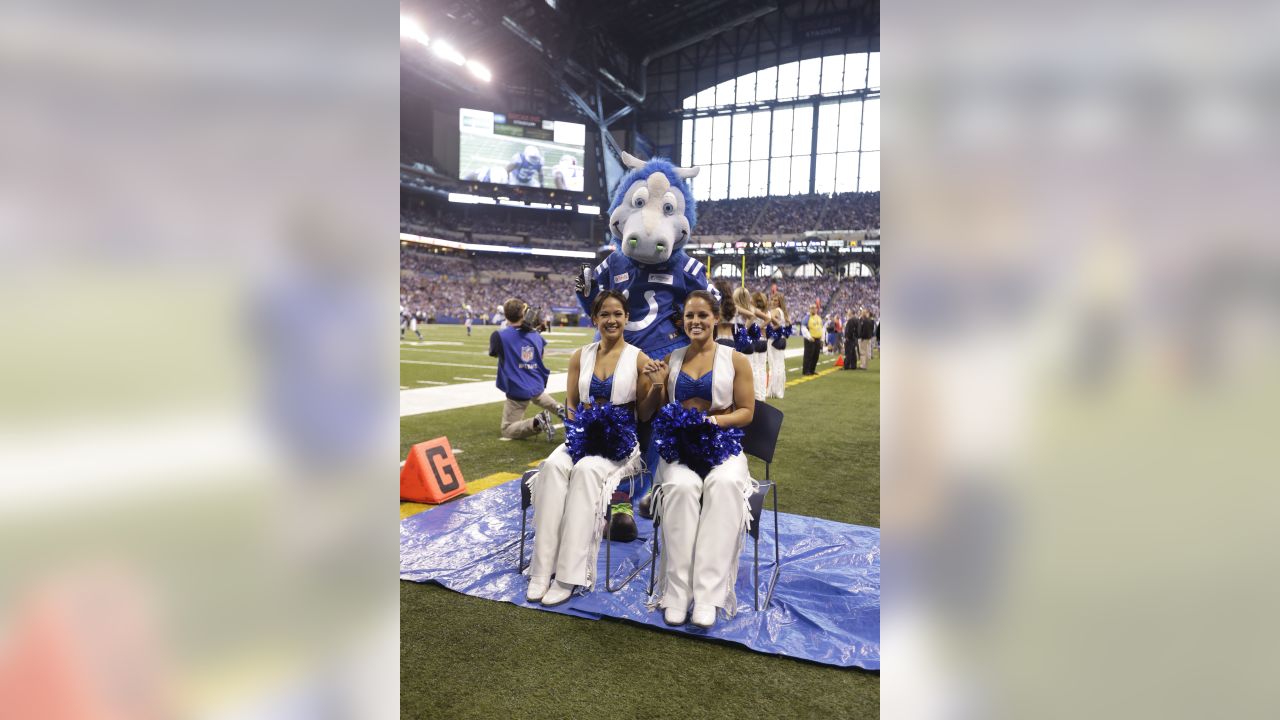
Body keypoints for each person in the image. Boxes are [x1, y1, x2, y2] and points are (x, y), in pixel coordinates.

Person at [525, 292, 668, 605]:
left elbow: (644, 415)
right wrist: (579, 431)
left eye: (618, 314)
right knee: (551, 467)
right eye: (605, 314)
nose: (612, 320)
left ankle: (569, 575)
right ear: (595, 319)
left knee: (587, 471)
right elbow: (572, 404)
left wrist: (657, 386)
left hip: (622, 443)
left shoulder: (639, 358)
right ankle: (541, 568)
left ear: (626, 318)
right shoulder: (580, 355)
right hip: (583, 437)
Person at [651, 290, 756, 629]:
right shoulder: (673, 358)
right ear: (682, 322)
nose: (695, 322)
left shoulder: (736, 359)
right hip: (680, 446)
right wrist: (655, 386)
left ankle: (708, 595)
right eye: (689, 316)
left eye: (702, 316)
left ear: (715, 319)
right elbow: (658, 409)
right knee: (681, 489)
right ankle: (677, 593)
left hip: (722, 443)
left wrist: (712, 421)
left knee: (723, 483)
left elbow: (747, 412)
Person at [488, 298, 563, 440]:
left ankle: (537, 422)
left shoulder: (499, 336)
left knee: (508, 429)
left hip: (517, 387)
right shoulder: (536, 336)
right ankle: (560, 409)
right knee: (538, 396)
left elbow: (494, 353)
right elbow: (540, 356)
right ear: (524, 313)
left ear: (506, 315)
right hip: (535, 383)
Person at [732, 287, 768, 402]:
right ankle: (758, 397)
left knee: (740, 374)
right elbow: (767, 319)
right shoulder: (752, 308)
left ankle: (745, 399)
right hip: (751, 342)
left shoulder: (736, 308)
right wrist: (756, 328)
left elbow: (751, 317)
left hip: (741, 342)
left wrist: (744, 331)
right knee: (754, 371)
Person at [766, 292, 789, 398]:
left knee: (774, 365)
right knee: (780, 365)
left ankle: (773, 390)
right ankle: (778, 391)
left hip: (774, 340)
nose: (773, 302)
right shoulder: (783, 312)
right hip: (781, 339)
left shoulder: (775, 311)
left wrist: (767, 329)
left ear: (779, 302)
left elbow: (773, 322)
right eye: (772, 299)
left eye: (776, 300)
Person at [800, 303, 823, 375]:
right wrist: (809, 337)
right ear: (809, 309)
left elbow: (821, 328)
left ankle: (812, 370)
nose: (813, 309)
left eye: (814, 308)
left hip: (817, 339)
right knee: (808, 355)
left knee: (816, 355)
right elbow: (803, 328)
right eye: (812, 308)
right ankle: (806, 370)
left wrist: (821, 338)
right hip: (810, 339)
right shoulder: (806, 318)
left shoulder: (819, 318)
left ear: (817, 309)